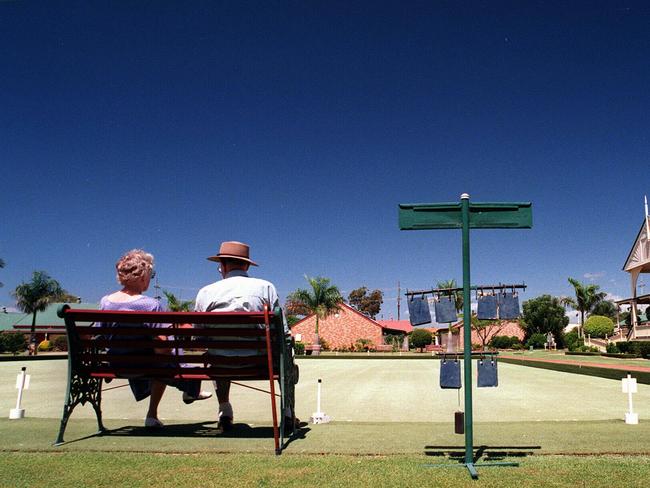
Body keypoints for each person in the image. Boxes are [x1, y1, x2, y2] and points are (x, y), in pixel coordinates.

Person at [100, 249, 211, 428]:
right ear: (143, 276)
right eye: (150, 277)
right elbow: (163, 349)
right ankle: (188, 390)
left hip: (118, 364)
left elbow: (102, 334)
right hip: (148, 366)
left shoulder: (105, 302)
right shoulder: (151, 305)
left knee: (161, 352)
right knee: (165, 351)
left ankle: (184, 393)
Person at [195, 241, 297, 432]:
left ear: (222, 265)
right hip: (259, 362)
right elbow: (282, 333)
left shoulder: (205, 292)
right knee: (286, 355)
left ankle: (224, 411)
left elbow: (198, 336)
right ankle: (288, 412)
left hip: (220, 363)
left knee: (216, 352)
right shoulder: (266, 287)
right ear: (247, 265)